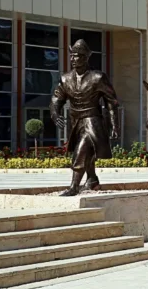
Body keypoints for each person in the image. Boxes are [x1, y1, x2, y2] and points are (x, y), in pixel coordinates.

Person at [50, 39, 120, 196]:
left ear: (85, 58)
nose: (73, 59)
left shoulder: (98, 77)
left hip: (92, 120)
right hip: (75, 122)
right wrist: (55, 113)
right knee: (86, 151)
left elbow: (112, 102)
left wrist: (115, 125)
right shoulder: (65, 79)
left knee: (81, 151)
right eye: (72, 56)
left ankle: (74, 186)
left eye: (77, 56)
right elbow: (56, 99)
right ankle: (92, 179)